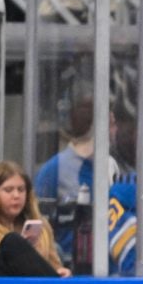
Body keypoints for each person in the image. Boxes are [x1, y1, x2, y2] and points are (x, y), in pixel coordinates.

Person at [35, 98, 122, 265]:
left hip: (107, 262)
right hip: (68, 265)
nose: (115, 130)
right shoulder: (54, 169)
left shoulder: (110, 165)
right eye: (111, 124)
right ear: (94, 128)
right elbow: (40, 222)